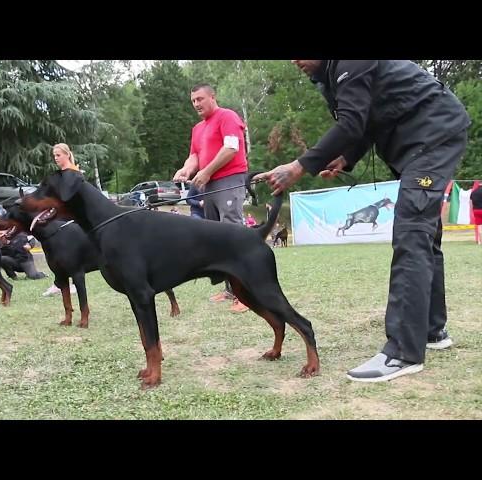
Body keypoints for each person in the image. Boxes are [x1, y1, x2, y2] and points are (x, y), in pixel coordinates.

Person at [254, 60, 470, 382]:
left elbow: (353, 123)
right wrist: (346, 157)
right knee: (425, 237)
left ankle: (403, 352)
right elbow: (366, 122)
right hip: (419, 142)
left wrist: (299, 166)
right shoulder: (331, 75)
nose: (294, 60)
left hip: (433, 136)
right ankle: (430, 330)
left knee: (411, 233)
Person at [173, 83, 249, 313]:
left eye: (200, 99)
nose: (196, 103)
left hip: (229, 179)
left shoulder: (227, 116)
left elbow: (231, 148)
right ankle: (230, 289)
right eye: (193, 100)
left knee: (233, 235)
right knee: (217, 239)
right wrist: (187, 170)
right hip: (209, 184)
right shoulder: (198, 128)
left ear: (212, 97)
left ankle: (246, 294)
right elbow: (194, 155)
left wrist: (206, 172)